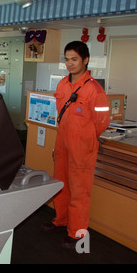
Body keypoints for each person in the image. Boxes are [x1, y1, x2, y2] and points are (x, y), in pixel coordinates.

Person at [42, 41, 110, 249]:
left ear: (85, 60)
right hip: (62, 143)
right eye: (67, 59)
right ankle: (61, 220)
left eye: (74, 59)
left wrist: (85, 138)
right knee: (61, 184)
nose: (70, 63)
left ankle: (78, 234)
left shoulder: (94, 90)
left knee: (80, 192)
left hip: (82, 148)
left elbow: (102, 122)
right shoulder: (62, 84)